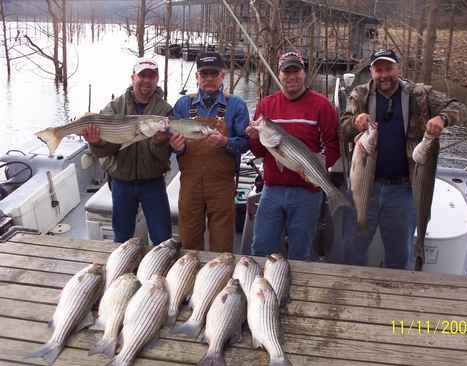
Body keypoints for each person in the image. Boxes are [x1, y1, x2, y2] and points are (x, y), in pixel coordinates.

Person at [340, 48, 466, 269]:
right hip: (365, 186)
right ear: (371, 72)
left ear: (398, 69)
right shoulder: (360, 95)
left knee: (399, 254)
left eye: (389, 68)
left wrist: (442, 118)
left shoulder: (419, 94)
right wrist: (355, 122)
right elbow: (342, 129)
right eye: (379, 70)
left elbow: (458, 106)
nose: (384, 74)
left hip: (403, 189)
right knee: (352, 247)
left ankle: (396, 293)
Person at [245, 51, 341, 261]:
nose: (291, 77)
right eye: (286, 72)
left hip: (307, 192)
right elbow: (261, 151)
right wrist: (254, 137)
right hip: (272, 189)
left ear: (303, 72)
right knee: (261, 247)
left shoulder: (322, 105)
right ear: (279, 75)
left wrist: (318, 167)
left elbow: (333, 145)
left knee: (301, 251)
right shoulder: (266, 106)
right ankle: (262, 290)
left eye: (295, 71)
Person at [82, 57, 183, 245]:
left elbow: (164, 155)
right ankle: (123, 272)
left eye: (151, 76)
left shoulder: (164, 110)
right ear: (133, 77)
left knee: (162, 237)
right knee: (122, 237)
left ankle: (158, 270)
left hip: (153, 181)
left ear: (157, 79)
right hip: (121, 181)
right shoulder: (114, 107)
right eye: (142, 75)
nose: (146, 80)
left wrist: (159, 142)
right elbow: (106, 151)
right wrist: (96, 142)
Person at [172, 51, 250, 252]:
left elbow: (246, 142)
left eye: (213, 74)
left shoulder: (236, 105)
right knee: (188, 241)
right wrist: (175, 147)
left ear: (222, 76)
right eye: (203, 74)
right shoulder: (182, 105)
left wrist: (225, 141)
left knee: (223, 245)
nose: (208, 79)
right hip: (190, 184)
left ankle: (219, 280)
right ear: (197, 77)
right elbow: (169, 141)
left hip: (222, 185)